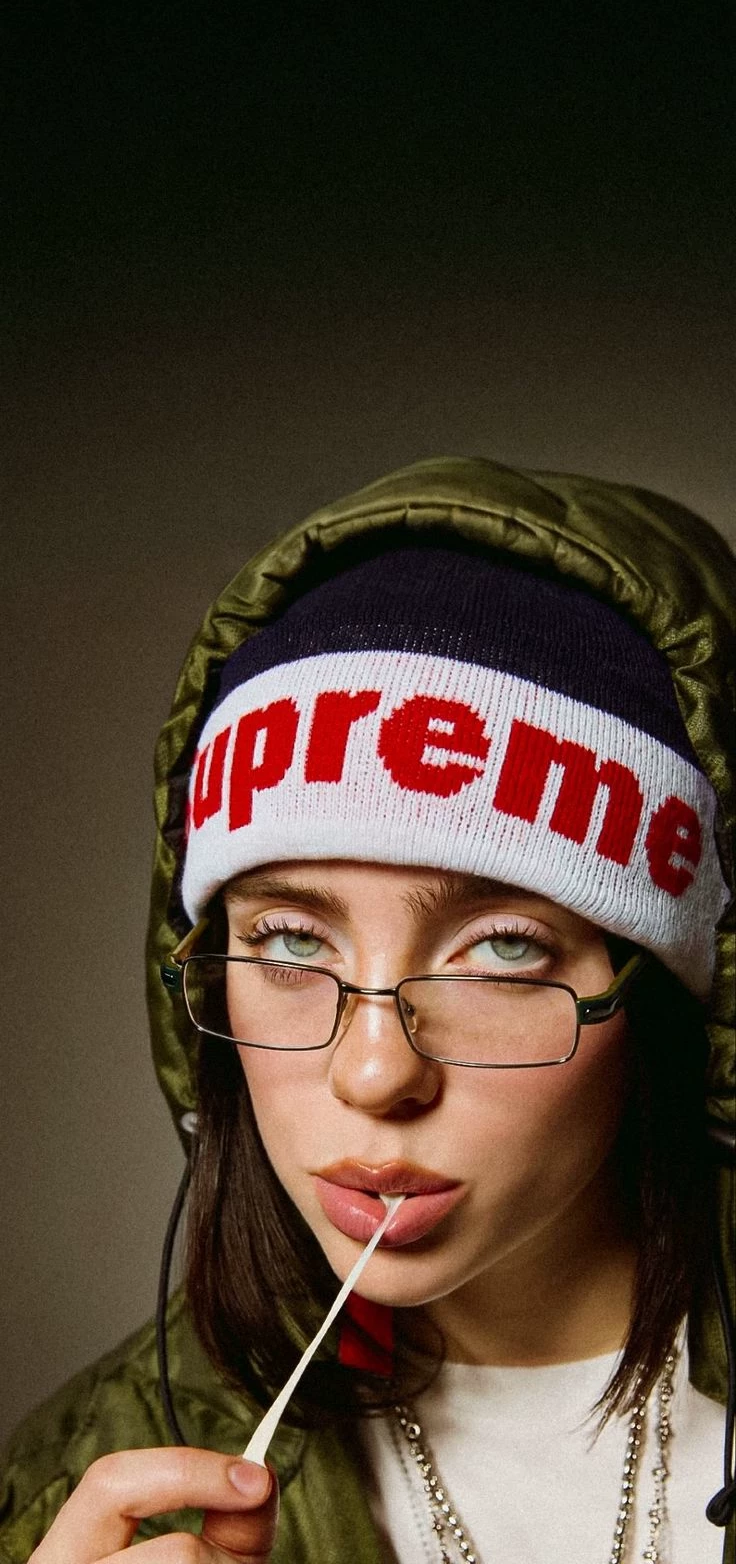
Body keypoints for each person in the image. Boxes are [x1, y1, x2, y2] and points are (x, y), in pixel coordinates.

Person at [1, 456, 733, 1564]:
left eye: (504, 949)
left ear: (674, 999)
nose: (374, 1072)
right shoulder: (81, 1488)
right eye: (290, 942)